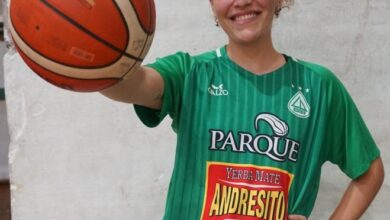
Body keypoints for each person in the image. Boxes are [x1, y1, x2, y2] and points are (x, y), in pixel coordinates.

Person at [101, 0, 384, 219]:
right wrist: (93, 55)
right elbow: (130, 85)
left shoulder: (318, 87)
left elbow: (370, 171)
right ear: (212, 4)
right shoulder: (190, 74)